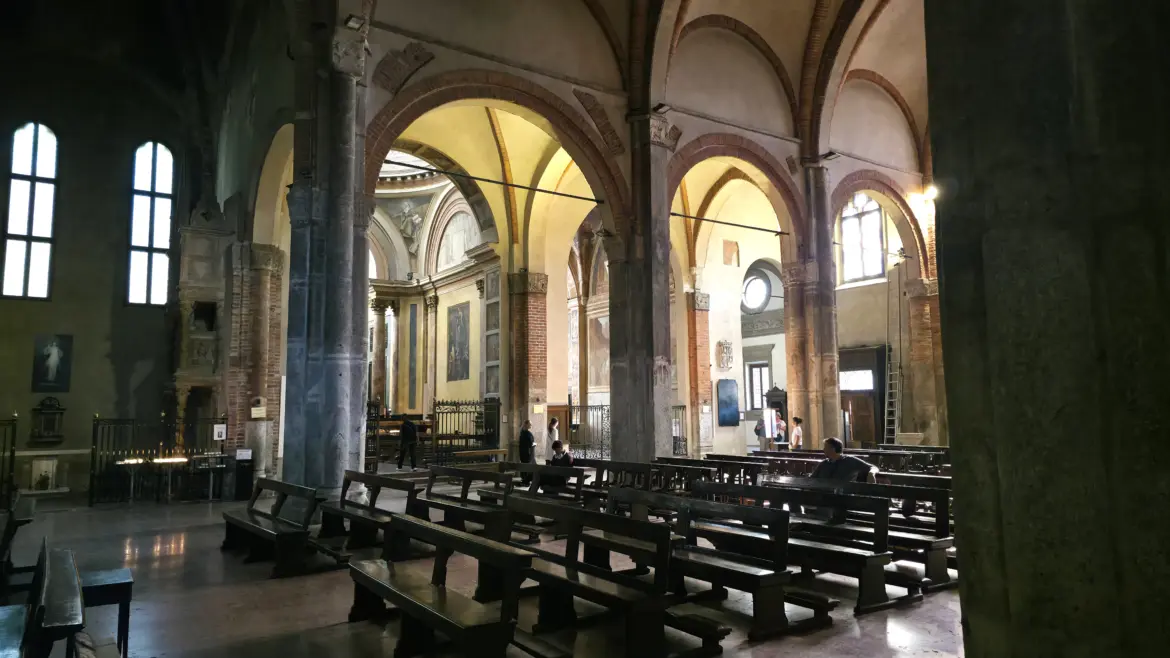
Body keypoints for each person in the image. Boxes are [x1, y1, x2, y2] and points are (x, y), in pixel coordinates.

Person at [812, 437, 877, 483]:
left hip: (844, 497)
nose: (823, 449)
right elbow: (811, 479)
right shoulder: (824, 463)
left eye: (826, 447)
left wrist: (871, 473)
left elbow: (873, 467)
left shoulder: (849, 461)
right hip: (824, 496)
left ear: (833, 449)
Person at [518, 420, 536, 485]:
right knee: (527, 466)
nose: (531, 425)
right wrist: (533, 444)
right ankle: (526, 480)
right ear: (526, 424)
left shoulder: (522, 432)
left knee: (525, 465)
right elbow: (530, 443)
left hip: (524, 452)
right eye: (530, 424)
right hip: (527, 452)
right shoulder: (526, 433)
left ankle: (525, 479)